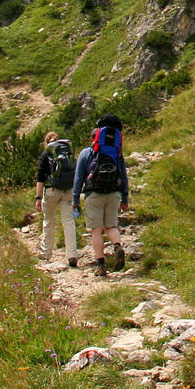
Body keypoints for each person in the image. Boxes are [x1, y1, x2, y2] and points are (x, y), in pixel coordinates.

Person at [75, 112, 130, 277]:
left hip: (94, 194)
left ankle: (101, 265)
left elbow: (78, 178)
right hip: (113, 193)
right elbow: (123, 176)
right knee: (111, 226)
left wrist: (75, 199)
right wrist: (125, 197)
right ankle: (117, 245)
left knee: (96, 230)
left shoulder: (87, 153)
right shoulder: (117, 153)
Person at [35, 131, 79, 267]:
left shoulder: (45, 154)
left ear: (46, 142)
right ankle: (72, 254)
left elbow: (40, 177)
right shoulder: (67, 152)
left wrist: (38, 196)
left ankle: (46, 253)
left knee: (49, 220)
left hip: (51, 191)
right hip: (68, 190)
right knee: (68, 221)